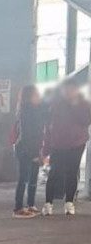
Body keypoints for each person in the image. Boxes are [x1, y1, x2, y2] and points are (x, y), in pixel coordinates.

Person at [42, 79, 91, 216]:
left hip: (77, 143)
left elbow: (87, 120)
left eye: (72, 89)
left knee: (72, 172)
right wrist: (45, 148)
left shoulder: (83, 103)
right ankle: (48, 204)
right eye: (67, 89)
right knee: (54, 173)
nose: (69, 92)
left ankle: (69, 203)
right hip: (58, 144)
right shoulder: (56, 104)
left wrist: (75, 105)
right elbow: (49, 126)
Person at [12, 85, 47, 218]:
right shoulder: (25, 111)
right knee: (24, 179)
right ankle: (18, 208)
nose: (39, 96)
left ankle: (31, 204)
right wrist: (33, 153)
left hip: (34, 148)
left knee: (33, 178)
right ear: (28, 97)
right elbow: (27, 134)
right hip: (25, 149)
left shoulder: (37, 110)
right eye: (36, 95)